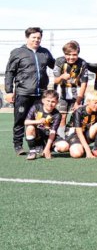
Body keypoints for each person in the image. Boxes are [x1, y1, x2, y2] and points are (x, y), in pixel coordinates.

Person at [4, 27, 56, 155]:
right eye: (34, 37)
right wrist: (9, 91)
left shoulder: (45, 52)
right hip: (23, 93)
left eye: (39, 38)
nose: (36, 40)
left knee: (40, 120)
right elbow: (10, 72)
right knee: (20, 120)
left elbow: (55, 65)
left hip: (41, 94)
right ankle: (18, 146)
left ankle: (37, 145)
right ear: (27, 38)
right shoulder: (18, 52)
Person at [23, 89, 69, 160]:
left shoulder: (57, 115)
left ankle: (48, 149)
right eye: (48, 101)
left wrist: (47, 148)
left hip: (49, 136)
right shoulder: (36, 107)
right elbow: (26, 122)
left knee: (65, 146)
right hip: (37, 134)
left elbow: (53, 132)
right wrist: (38, 121)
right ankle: (32, 151)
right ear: (43, 100)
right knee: (30, 128)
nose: (50, 104)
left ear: (57, 102)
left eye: (53, 102)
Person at [53, 40, 89, 125]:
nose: (71, 57)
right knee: (62, 117)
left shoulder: (83, 63)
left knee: (76, 117)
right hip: (62, 94)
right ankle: (61, 137)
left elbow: (84, 83)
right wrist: (62, 77)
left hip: (77, 94)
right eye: (68, 54)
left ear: (78, 54)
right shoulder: (59, 61)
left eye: (74, 54)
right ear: (64, 53)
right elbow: (55, 81)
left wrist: (78, 102)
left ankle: (72, 136)